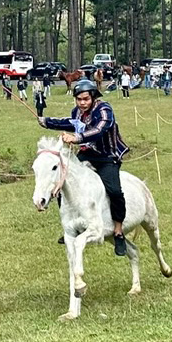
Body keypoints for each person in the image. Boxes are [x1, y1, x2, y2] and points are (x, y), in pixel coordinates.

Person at [38, 78, 131, 256]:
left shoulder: (105, 110)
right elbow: (69, 122)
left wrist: (77, 138)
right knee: (63, 182)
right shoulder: (77, 112)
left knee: (115, 191)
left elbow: (99, 129)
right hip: (87, 154)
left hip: (107, 156)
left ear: (93, 97)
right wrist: (47, 121)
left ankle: (118, 231)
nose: (82, 103)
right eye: (79, 99)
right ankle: (70, 226)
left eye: (86, 99)